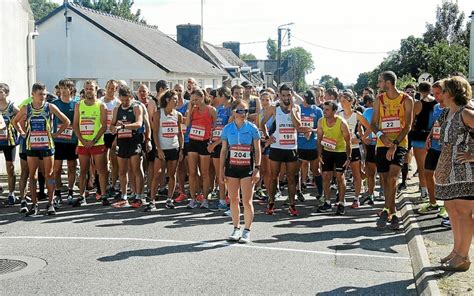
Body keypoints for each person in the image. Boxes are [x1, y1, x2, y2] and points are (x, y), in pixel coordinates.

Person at [13, 83, 70, 216]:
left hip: (47, 145)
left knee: (49, 175)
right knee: (32, 175)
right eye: (40, 94)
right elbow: (14, 121)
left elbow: (66, 121)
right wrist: (22, 132)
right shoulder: (26, 108)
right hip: (31, 145)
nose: (43, 97)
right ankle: (34, 204)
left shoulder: (50, 107)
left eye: (44, 94)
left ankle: (50, 203)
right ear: (33, 94)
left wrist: (56, 134)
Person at [435, 76, 473, 272]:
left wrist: (473, 155)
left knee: (464, 213)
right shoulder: (448, 113)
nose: (441, 94)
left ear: (453, 92)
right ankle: (456, 251)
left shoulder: (467, 113)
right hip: (449, 169)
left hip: (465, 172)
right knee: (452, 211)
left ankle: (463, 256)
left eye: (445, 90)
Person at [371, 71, 414, 230]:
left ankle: (385, 210)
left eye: (380, 81)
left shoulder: (406, 100)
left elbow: (408, 126)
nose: (378, 84)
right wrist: (383, 138)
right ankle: (393, 213)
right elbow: (373, 124)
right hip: (382, 144)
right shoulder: (379, 99)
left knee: (392, 178)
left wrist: (395, 143)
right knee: (384, 180)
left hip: (400, 143)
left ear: (388, 83)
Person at [220, 99, 261, 243]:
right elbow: (224, 150)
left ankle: (247, 230)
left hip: (247, 168)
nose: (243, 114)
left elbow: (257, 149)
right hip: (232, 168)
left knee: (247, 201)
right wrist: (221, 170)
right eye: (240, 111)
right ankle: (236, 228)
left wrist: (257, 169)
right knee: (233, 199)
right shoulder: (227, 129)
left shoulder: (252, 128)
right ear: (233, 112)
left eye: (245, 111)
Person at [261, 84, 302, 216]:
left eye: (288, 95)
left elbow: (298, 126)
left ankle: (292, 204)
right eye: (283, 95)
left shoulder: (296, 108)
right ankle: (271, 203)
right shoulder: (274, 108)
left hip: (291, 147)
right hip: (277, 147)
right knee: (274, 176)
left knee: (291, 178)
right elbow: (262, 123)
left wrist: (291, 110)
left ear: (291, 95)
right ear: (279, 95)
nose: (285, 98)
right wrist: (268, 137)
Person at [146, 90, 184, 211]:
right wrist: (159, 149)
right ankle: (152, 200)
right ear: (167, 100)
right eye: (174, 98)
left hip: (174, 147)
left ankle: (169, 200)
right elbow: (155, 133)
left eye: (177, 98)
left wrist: (181, 149)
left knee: (172, 175)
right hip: (162, 149)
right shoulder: (158, 114)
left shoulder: (177, 115)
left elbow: (180, 133)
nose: (177, 101)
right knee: (157, 174)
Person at [73, 80, 109, 206]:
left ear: (96, 89)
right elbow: (75, 125)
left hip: (97, 143)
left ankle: (104, 195)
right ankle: (82, 195)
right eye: (87, 88)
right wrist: (83, 141)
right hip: (83, 143)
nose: (89, 90)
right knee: (83, 170)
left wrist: (93, 141)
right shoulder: (79, 105)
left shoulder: (101, 105)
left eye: (91, 88)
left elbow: (104, 126)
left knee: (101, 170)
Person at [110, 86, 145, 208]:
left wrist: (124, 126)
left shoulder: (136, 107)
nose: (125, 102)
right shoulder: (116, 109)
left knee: (136, 169)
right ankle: (124, 196)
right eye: (122, 100)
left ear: (131, 97)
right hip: (122, 142)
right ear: (119, 98)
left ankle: (139, 196)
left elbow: (139, 124)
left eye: (127, 100)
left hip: (134, 141)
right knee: (122, 171)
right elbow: (112, 126)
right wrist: (114, 128)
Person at [316, 101, 351, 215]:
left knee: (340, 177)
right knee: (326, 176)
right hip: (327, 151)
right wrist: (319, 154)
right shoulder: (321, 121)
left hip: (340, 152)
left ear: (334, 111)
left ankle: (341, 203)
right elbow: (319, 139)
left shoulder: (342, 122)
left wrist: (348, 156)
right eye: (324, 109)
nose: (324, 112)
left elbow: (348, 140)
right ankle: (327, 202)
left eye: (327, 110)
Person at [338, 91, 372, 208]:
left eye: (344, 101)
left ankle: (356, 199)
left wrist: (361, 138)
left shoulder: (356, 114)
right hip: (341, 149)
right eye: (341, 101)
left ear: (351, 101)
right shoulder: (338, 114)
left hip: (354, 148)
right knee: (340, 174)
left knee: (356, 174)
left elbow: (370, 127)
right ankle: (341, 198)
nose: (342, 103)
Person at [418, 81, 447, 216]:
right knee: (427, 173)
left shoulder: (452, 107)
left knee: (442, 177)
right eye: (433, 93)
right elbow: (434, 125)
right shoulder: (436, 107)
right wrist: (428, 138)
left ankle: (446, 206)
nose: (435, 96)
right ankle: (433, 202)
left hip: (446, 148)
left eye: (437, 93)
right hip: (434, 145)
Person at [185, 89, 216, 209]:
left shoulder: (211, 110)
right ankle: (193, 199)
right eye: (192, 100)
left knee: (205, 173)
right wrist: (190, 108)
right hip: (193, 141)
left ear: (203, 97)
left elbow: (215, 126)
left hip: (204, 142)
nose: (195, 102)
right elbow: (187, 124)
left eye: (196, 100)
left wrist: (211, 141)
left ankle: (205, 199)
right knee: (192, 172)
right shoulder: (193, 109)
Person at [52, 79, 78, 206]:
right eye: (61, 87)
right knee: (56, 168)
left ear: (71, 89)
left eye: (66, 88)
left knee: (71, 167)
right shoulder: (54, 103)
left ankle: (71, 191)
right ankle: (57, 192)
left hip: (72, 140)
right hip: (57, 140)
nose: (63, 90)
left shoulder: (77, 103)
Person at [409, 82, 437, 201]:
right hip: (434, 137)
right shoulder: (437, 103)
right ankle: (434, 193)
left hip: (419, 137)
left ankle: (424, 192)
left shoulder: (417, 104)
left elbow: (411, 122)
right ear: (430, 89)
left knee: (421, 167)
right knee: (432, 168)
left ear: (419, 90)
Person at [207, 86, 233, 211]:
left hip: (225, 145)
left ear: (223, 95)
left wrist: (214, 144)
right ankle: (223, 199)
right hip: (216, 144)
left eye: (218, 95)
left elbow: (227, 132)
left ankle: (225, 200)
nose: (217, 98)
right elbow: (215, 127)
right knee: (219, 174)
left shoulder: (231, 110)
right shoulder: (219, 109)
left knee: (225, 174)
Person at [297, 90, 323, 201]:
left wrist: (312, 130)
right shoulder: (297, 109)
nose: (310, 104)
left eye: (311, 101)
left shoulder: (317, 110)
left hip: (313, 145)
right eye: (308, 101)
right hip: (299, 144)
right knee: (296, 170)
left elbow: (321, 128)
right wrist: (302, 130)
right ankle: (298, 191)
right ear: (303, 98)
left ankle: (321, 193)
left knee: (315, 170)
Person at [0, 83, 19, 206]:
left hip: (9, 140)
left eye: (1, 91)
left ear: (6, 92)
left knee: (10, 167)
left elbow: (23, 117)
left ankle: (11, 193)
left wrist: (15, 126)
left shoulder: (12, 106)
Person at [100, 80, 120, 197]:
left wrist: (116, 137)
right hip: (102, 133)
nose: (111, 90)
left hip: (113, 134)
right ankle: (104, 184)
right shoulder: (99, 102)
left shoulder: (117, 103)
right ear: (106, 87)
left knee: (114, 162)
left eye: (114, 88)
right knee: (102, 162)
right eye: (109, 88)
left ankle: (113, 185)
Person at [360, 94, 377, 205]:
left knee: (385, 174)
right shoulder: (368, 111)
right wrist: (363, 137)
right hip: (371, 144)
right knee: (370, 172)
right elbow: (360, 125)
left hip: (383, 145)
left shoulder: (387, 110)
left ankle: (387, 197)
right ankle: (371, 195)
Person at [174, 83, 189, 202]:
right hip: (175, 137)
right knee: (179, 167)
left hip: (188, 137)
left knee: (192, 167)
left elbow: (188, 120)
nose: (178, 92)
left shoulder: (188, 103)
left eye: (180, 90)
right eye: (176, 90)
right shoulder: (171, 105)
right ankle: (182, 191)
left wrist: (178, 118)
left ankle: (197, 192)